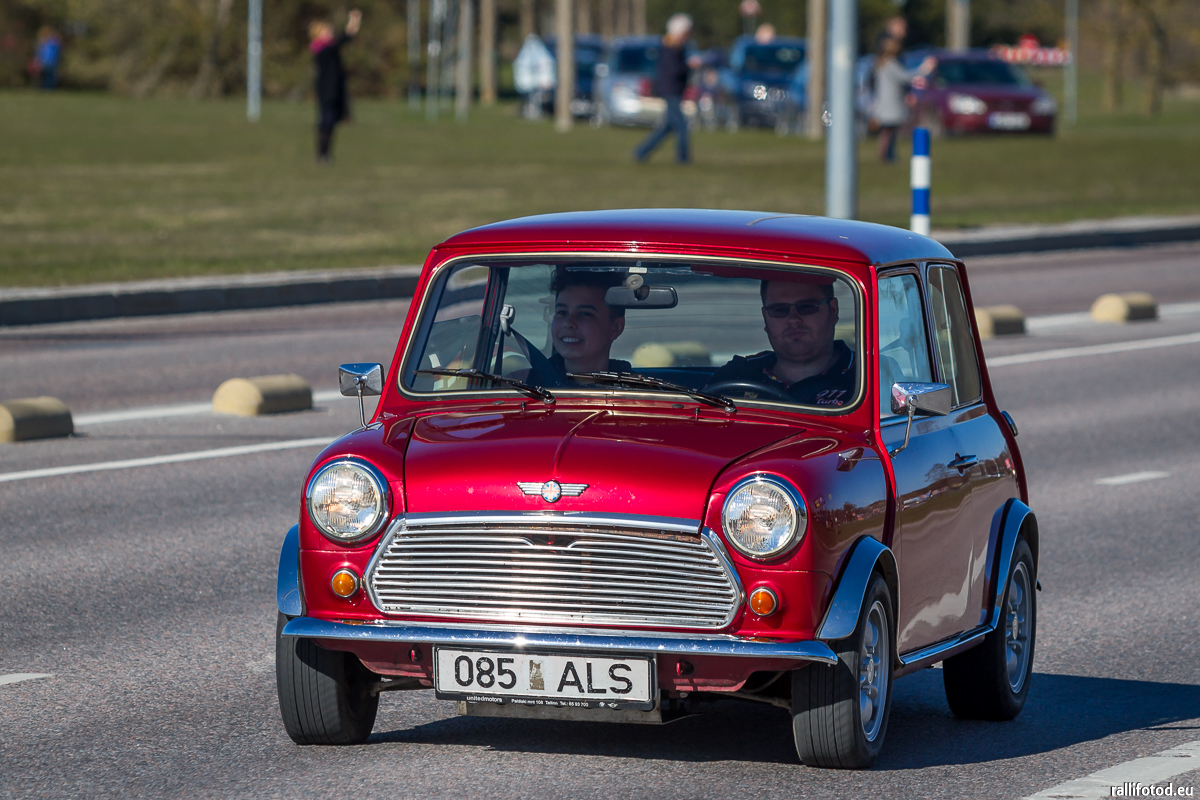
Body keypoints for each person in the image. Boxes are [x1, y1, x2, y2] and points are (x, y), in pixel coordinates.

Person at [705, 278, 855, 407]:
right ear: (765, 318)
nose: (793, 320)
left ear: (833, 310)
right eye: (779, 310)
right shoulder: (736, 374)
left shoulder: (864, 377)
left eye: (807, 307)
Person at [522, 271, 631, 386]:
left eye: (585, 314)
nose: (568, 323)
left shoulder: (636, 390)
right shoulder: (524, 385)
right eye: (562, 312)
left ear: (615, 328)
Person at [634, 14, 701, 164]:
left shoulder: (676, 47)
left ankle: (641, 152)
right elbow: (673, 70)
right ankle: (683, 159)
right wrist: (688, 65)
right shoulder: (669, 47)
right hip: (670, 91)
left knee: (668, 127)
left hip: (674, 90)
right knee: (682, 126)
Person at [870, 38, 935, 163]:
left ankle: (888, 154)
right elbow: (905, 77)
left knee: (887, 131)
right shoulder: (890, 64)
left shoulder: (882, 64)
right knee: (889, 130)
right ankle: (887, 155)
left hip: (884, 103)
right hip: (890, 104)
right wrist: (924, 69)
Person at [310, 9, 362, 164]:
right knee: (326, 122)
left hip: (335, 90)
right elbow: (344, 38)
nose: (330, 33)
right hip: (327, 91)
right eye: (326, 31)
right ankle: (323, 153)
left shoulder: (330, 48)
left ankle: (325, 154)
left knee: (331, 123)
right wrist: (353, 21)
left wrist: (355, 22)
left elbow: (345, 38)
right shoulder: (322, 50)